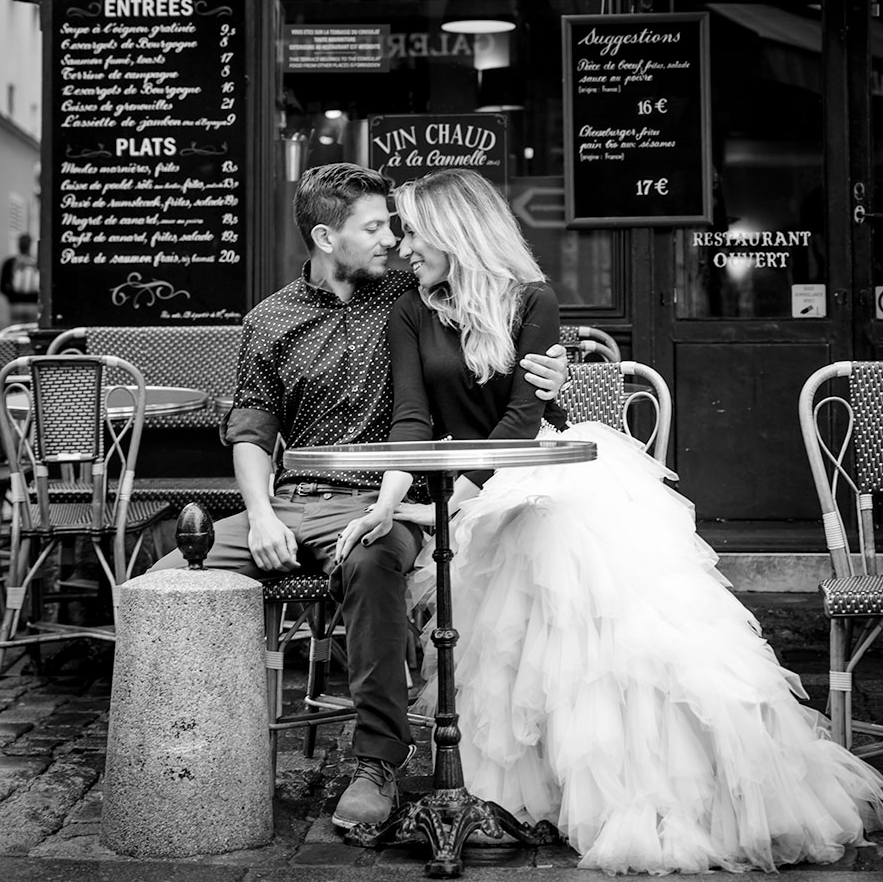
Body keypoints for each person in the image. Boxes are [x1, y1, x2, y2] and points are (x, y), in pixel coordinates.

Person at [337, 167, 883, 875]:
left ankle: (651, 788)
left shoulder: (532, 299)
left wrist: (461, 500)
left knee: (597, 620)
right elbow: (412, 416)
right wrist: (390, 502)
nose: (405, 247)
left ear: (455, 230)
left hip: (543, 472)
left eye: (413, 230)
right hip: (474, 483)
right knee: (513, 645)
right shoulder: (410, 311)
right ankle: (545, 789)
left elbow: (523, 418)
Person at [150, 162, 568, 832]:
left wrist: (556, 368)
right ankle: (185, 753)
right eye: (375, 227)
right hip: (289, 500)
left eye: (397, 227)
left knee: (374, 562)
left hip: (383, 499)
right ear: (324, 236)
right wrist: (258, 516)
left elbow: (499, 331)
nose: (394, 240)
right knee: (164, 585)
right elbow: (253, 425)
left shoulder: (414, 291)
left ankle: (376, 760)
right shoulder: (269, 320)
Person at [0, 233, 39, 324]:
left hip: (16, 305)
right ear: (30, 245)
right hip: (33, 305)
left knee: (16, 333)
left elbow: (1, 286)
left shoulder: (10, 262)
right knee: (31, 333)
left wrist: (12, 297)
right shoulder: (37, 262)